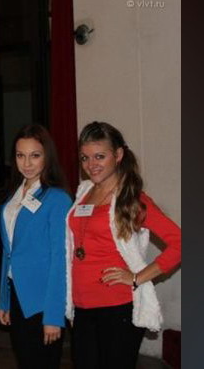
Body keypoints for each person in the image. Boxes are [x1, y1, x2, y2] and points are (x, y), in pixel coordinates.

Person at [66, 121, 181, 368]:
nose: (91, 165)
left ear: (118, 155)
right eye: (85, 158)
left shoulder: (132, 199)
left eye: (99, 156)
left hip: (117, 307)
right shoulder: (83, 192)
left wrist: (138, 277)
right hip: (82, 305)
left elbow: (180, 243)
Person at [0, 124, 72, 368]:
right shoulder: (14, 196)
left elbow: (60, 260)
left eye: (35, 155)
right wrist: (4, 300)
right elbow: (9, 252)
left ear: (47, 157)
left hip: (43, 300)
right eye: (21, 155)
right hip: (17, 296)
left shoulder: (57, 199)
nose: (27, 163)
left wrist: (54, 315)